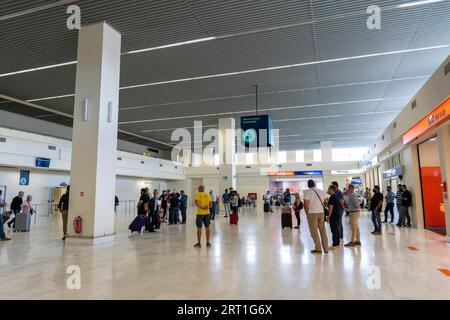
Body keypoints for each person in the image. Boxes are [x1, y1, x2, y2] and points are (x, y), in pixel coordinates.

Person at [303, 180, 329, 254]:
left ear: (308, 185)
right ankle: (326, 248)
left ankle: (318, 248)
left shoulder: (307, 192)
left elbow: (306, 204)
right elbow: (326, 201)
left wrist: (306, 212)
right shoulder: (321, 191)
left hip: (312, 213)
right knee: (323, 230)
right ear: (314, 184)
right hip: (321, 212)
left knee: (314, 231)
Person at [327, 185, 341, 250]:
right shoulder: (335, 196)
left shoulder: (332, 197)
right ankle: (337, 244)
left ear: (332, 190)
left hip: (333, 216)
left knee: (334, 230)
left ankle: (334, 245)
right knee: (336, 230)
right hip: (337, 215)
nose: (328, 190)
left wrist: (328, 216)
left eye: (329, 189)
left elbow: (331, 208)